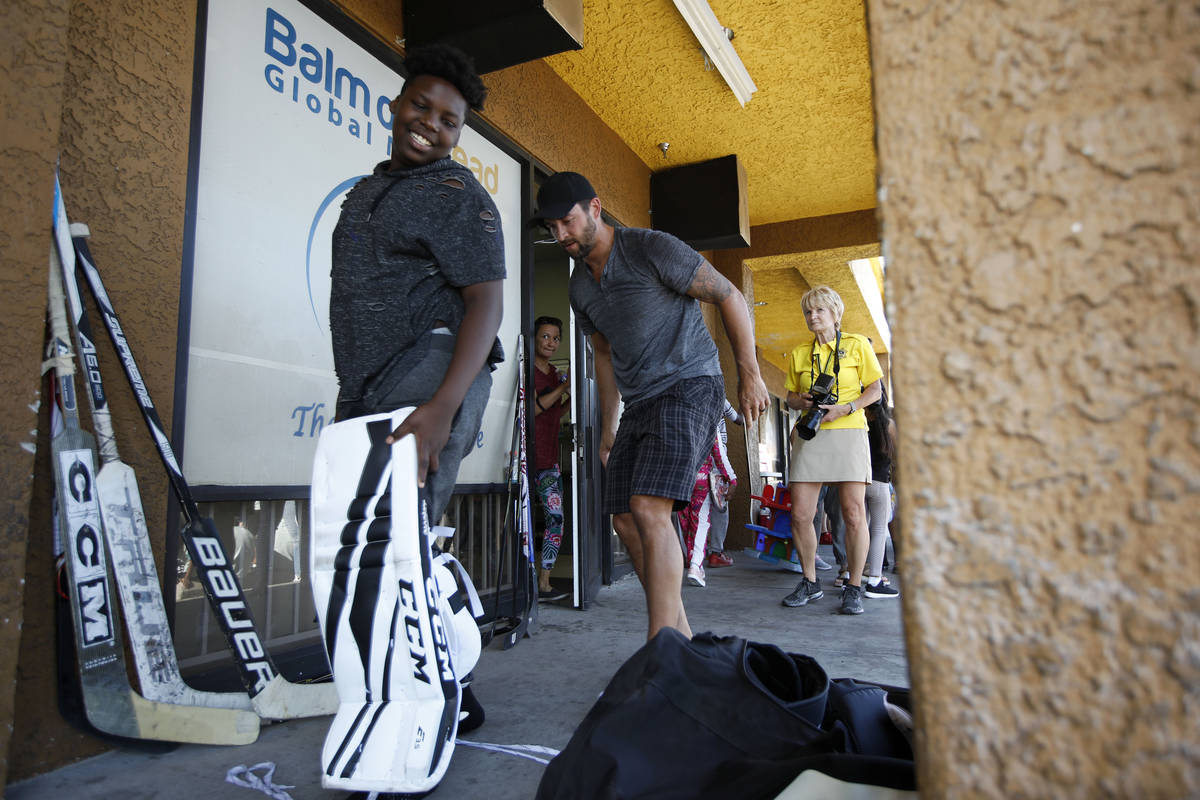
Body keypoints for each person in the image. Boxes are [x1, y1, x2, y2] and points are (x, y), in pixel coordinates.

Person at [533, 171, 769, 639]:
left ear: (595, 208)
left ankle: (660, 648)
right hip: (640, 402)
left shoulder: (650, 249)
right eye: (551, 227)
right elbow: (603, 354)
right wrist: (607, 428)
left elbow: (729, 295)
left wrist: (751, 373)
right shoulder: (580, 287)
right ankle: (677, 637)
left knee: (648, 506)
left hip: (690, 384)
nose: (560, 235)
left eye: (567, 221)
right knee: (623, 517)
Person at [329, 43, 504, 527]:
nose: (431, 123)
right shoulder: (367, 191)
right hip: (369, 388)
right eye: (421, 105)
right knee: (357, 553)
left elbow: (486, 305)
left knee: (397, 552)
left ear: (459, 134)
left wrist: (443, 408)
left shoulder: (456, 193)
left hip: (428, 384)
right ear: (395, 105)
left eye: (449, 121)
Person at [780, 285, 883, 615]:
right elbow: (790, 398)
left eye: (819, 310)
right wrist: (803, 400)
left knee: (853, 512)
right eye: (808, 312)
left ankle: (854, 585)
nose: (812, 316)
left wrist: (847, 408)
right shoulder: (799, 353)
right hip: (811, 434)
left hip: (849, 431)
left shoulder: (856, 345)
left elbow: (875, 391)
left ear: (835, 314)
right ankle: (810, 581)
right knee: (800, 514)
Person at [531, 315, 571, 600]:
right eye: (546, 336)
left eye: (556, 338)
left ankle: (544, 582)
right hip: (523, 459)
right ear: (534, 338)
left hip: (550, 461)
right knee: (523, 523)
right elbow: (532, 410)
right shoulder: (526, 370)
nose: (551, 342)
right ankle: (522, 581)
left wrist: (571, 393)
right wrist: (562, 389)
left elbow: (556, 412)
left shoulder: (556, 374)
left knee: (555, 520)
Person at [679, 418, 737, 588]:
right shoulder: (708, 419)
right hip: (701, 477)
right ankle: (695, 566)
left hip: (678, 478)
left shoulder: (676, 414)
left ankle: (690, 560)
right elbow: (718, 452)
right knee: (700, 522)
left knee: (684, 522)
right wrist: (731, 479)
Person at [862, 389, 899, 598]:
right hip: (880, 482)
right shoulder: (888, 425)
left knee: (858, 529)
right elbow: (895, 454)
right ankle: (875, 580)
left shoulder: (856, 420)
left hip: (858, 482)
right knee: (878, 530)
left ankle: (852, 574)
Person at [704, 401, 743, 570]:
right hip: (716, 458)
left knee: (694, 507)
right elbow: (739, 420)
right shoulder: (719, 398)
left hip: (694, 456)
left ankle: (689, 554)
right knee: (720, 504)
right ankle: (715, 553)